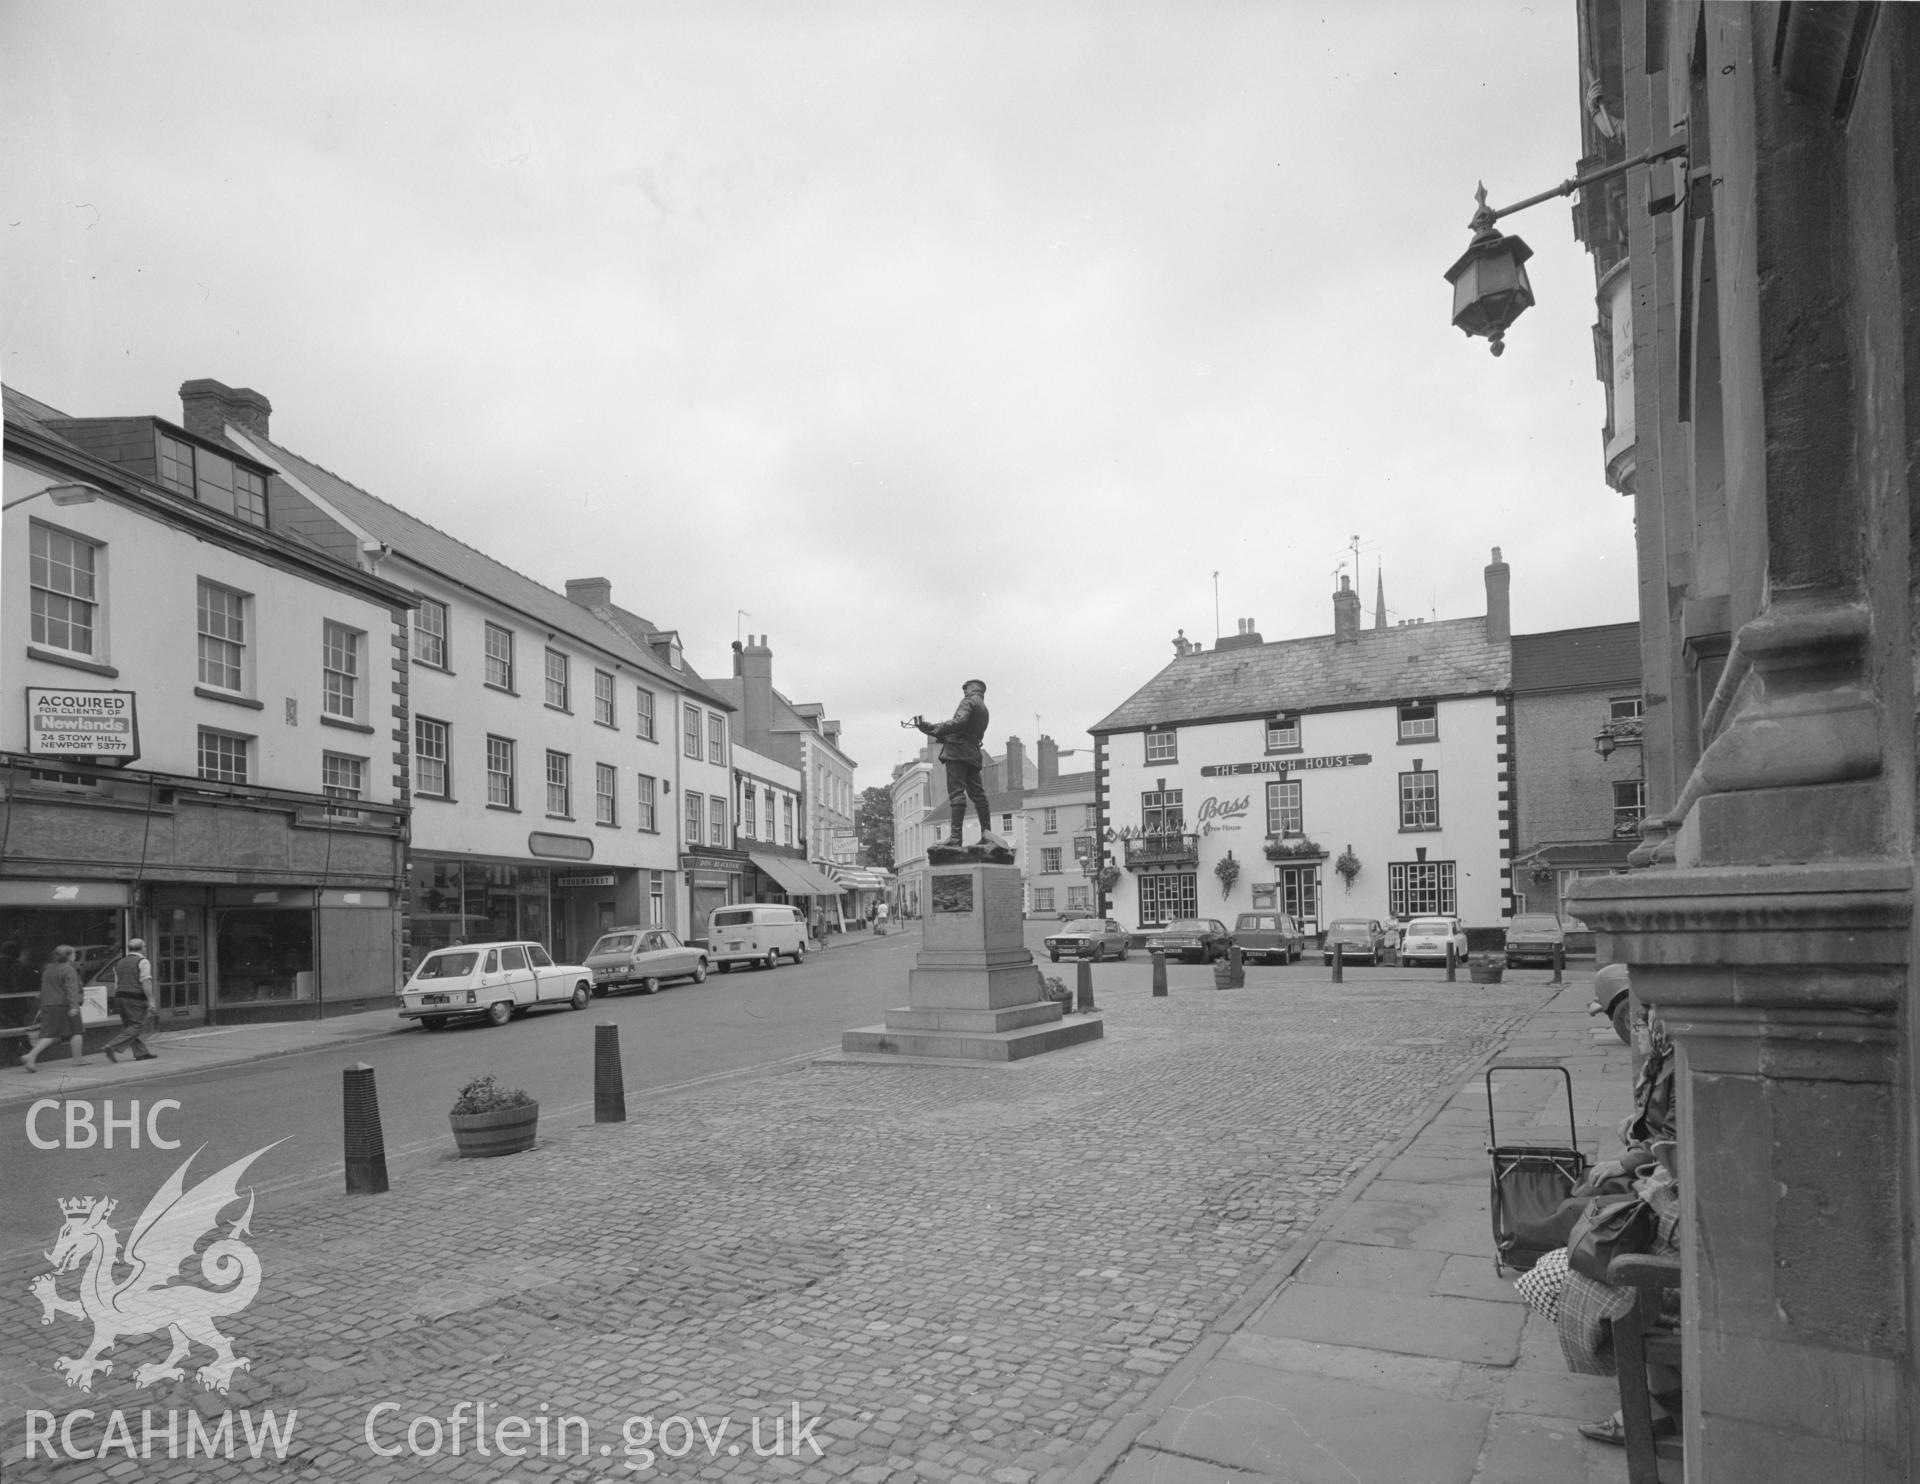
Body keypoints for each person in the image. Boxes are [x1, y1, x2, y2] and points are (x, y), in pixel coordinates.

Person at [913, 678, 999, 850]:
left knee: (956, 793)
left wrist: (933, 728)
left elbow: (959, 723)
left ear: (973, 689)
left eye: (966, 689)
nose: (964, 692)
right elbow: (965, 731)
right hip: (972, 754)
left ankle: (955, 837)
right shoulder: (984, 709)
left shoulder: (968, 702)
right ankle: (986, 833)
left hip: (957, 754)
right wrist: (938, 734)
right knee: (979, 795)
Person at [21, 945, 86, 1072]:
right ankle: (77, 1059)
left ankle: (31, 1056)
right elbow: (71, 989)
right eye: (74, 954)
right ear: (68, 956)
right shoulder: (69, 969)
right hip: (65, 1005)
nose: (75, 956)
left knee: (49, 1034)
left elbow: (44, 989)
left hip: (48, 1005)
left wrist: (42, 1005)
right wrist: (74, 1006)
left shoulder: (48, 969)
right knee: (77, 1031)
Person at [102, 938, 159, 1063]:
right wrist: (151, 1001)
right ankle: (112, 1045)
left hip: (120, 997)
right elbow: (146, 982)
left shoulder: (119, 962)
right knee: (137, 1025)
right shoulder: (143, 961)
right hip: (136, 998)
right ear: (142, 948)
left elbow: (117, 984)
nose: (145, 948)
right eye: (145, 946)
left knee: (130, 1027)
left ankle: (141, 1053)